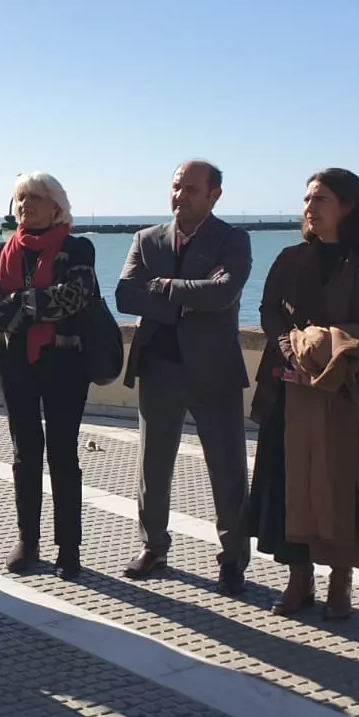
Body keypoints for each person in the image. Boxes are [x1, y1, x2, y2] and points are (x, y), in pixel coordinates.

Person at [247, 169, 359, 619]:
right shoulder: (290, 258)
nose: (310, 207)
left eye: (322, 199)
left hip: (352, 390)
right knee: (291, 483)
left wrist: (329, 353)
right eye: (307, 198)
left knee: (347, 484)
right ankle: (298, 580)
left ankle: (340, 582)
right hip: (291, 389)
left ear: (348, 207)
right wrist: (289, 350)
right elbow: (269, 310)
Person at [114, 160, 253, 595]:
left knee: (228, 469)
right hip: (159, 367)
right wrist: (189, 297)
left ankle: (233, 560)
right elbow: (123, 295)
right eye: (177, 187)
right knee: (152, 468)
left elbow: (225, 291)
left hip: (215, 370)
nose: (181, 196)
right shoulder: (147, 239)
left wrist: (161, 287)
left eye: (192, 189)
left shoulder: (233, 239)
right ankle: (153, 547)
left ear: (214, 196)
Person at [0, 171, 96, 579]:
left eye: (34, 198)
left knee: (63, 454)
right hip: (12, 363)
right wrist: (36, 304)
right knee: (24, 452)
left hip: (65, 363)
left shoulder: (78, 248)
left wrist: (19, 305)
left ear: (55, 205)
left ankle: (69, 547)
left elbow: (75, 297)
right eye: (20, 199)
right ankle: (27, 540)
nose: (24, 206)